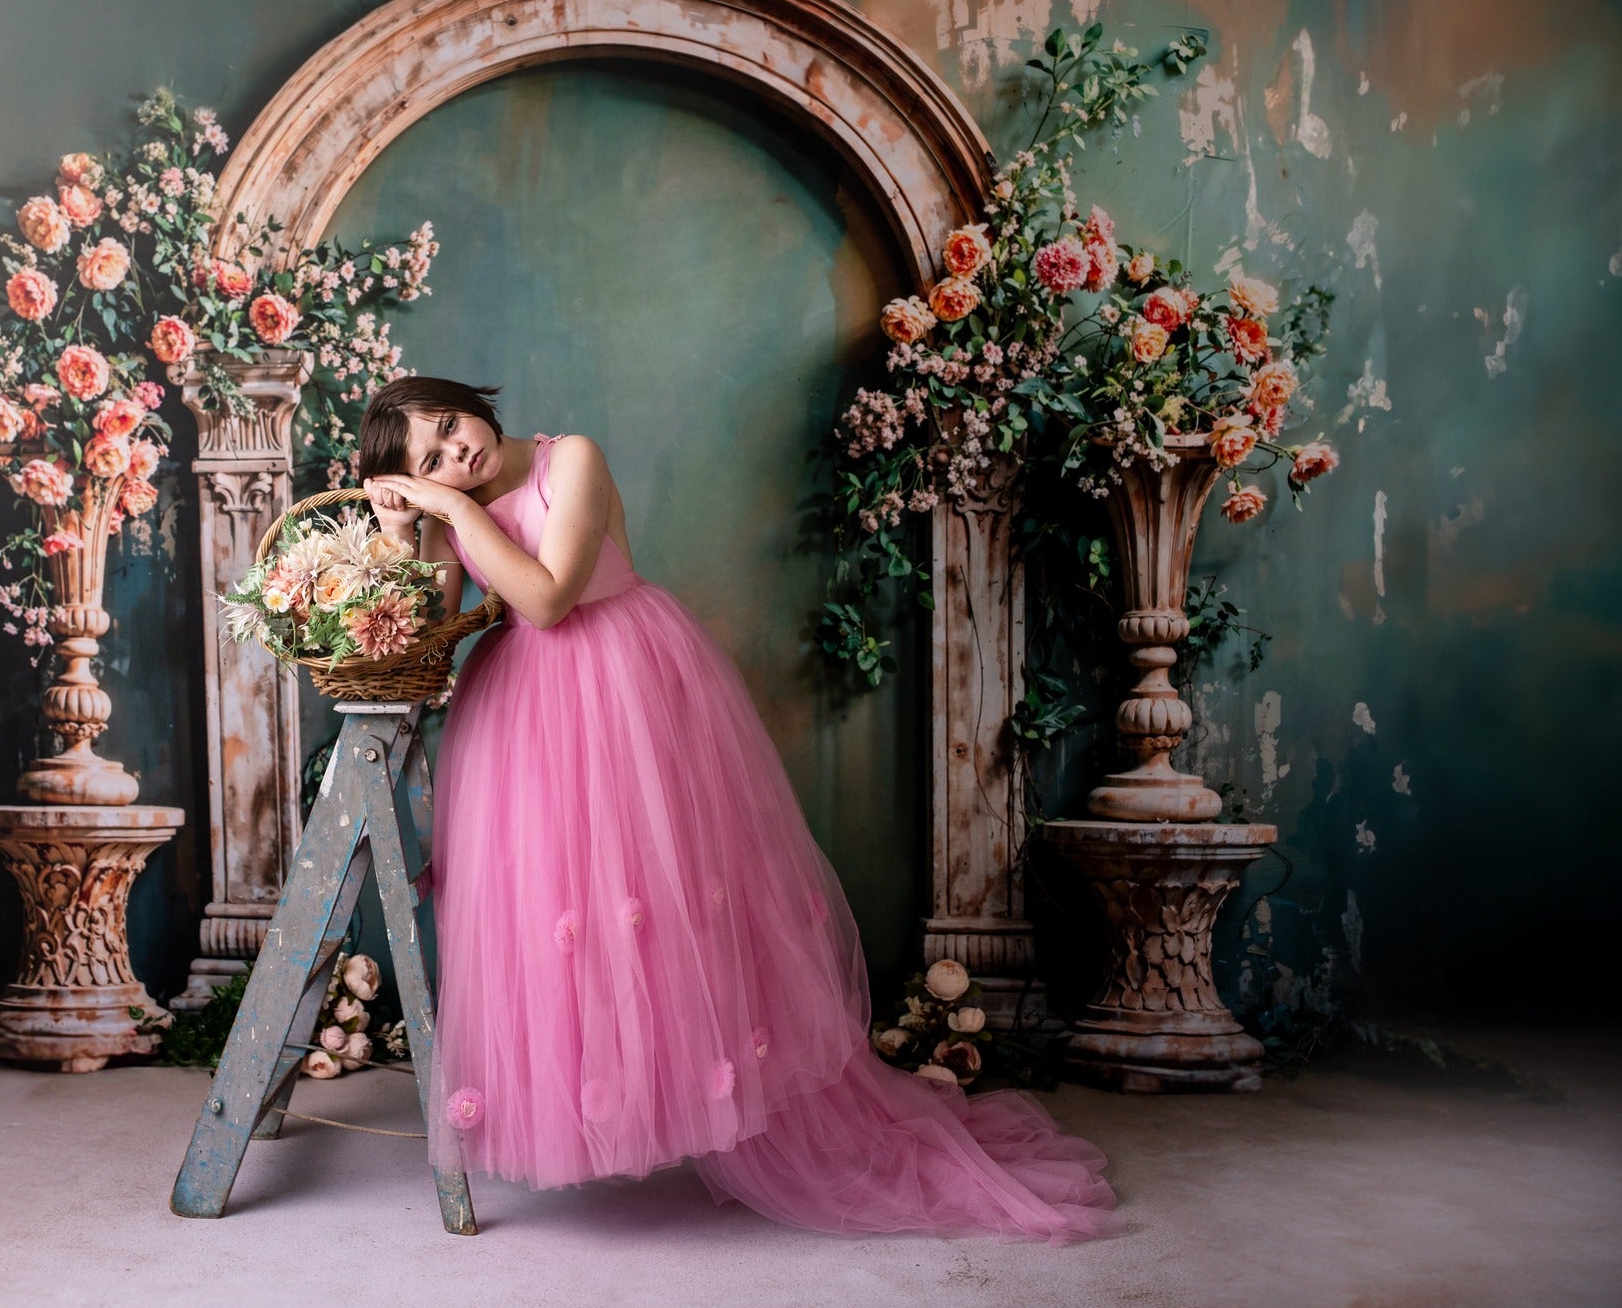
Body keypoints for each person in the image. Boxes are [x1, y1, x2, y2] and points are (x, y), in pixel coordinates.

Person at [359, 375, 1117, 1241]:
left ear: (470, 403)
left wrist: (450, 512)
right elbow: (437, 627)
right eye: (433, 460)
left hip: (616, 685)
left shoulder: (568, 460)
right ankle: (606, 1115)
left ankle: (717, 1108)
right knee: (563, 912)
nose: (457, 452)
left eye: (451, 426)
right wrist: (401, 529)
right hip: (519, 711)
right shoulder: (460, 506)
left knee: (660, 896)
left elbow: (546, 596)